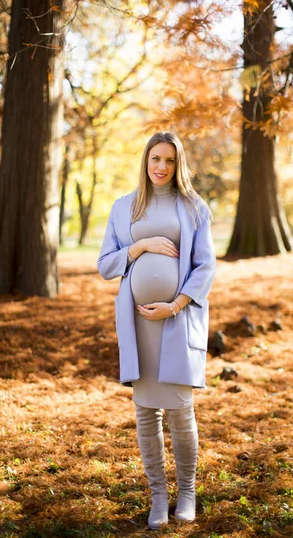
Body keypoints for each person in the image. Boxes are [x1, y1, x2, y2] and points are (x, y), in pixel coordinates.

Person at [97, 131, 216, 530]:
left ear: (178, 164)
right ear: (145, 161)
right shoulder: (123, 207)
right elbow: (105, 264)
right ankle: (158, 498)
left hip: (177, 320)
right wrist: (140, 245)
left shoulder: (194, 207)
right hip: (136, 326)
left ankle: (187, 493)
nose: (161, 167)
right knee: (146, 412)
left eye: (169, 160)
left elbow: (205, 266)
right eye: (155, 159)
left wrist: (175, 304)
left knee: (181, 411)